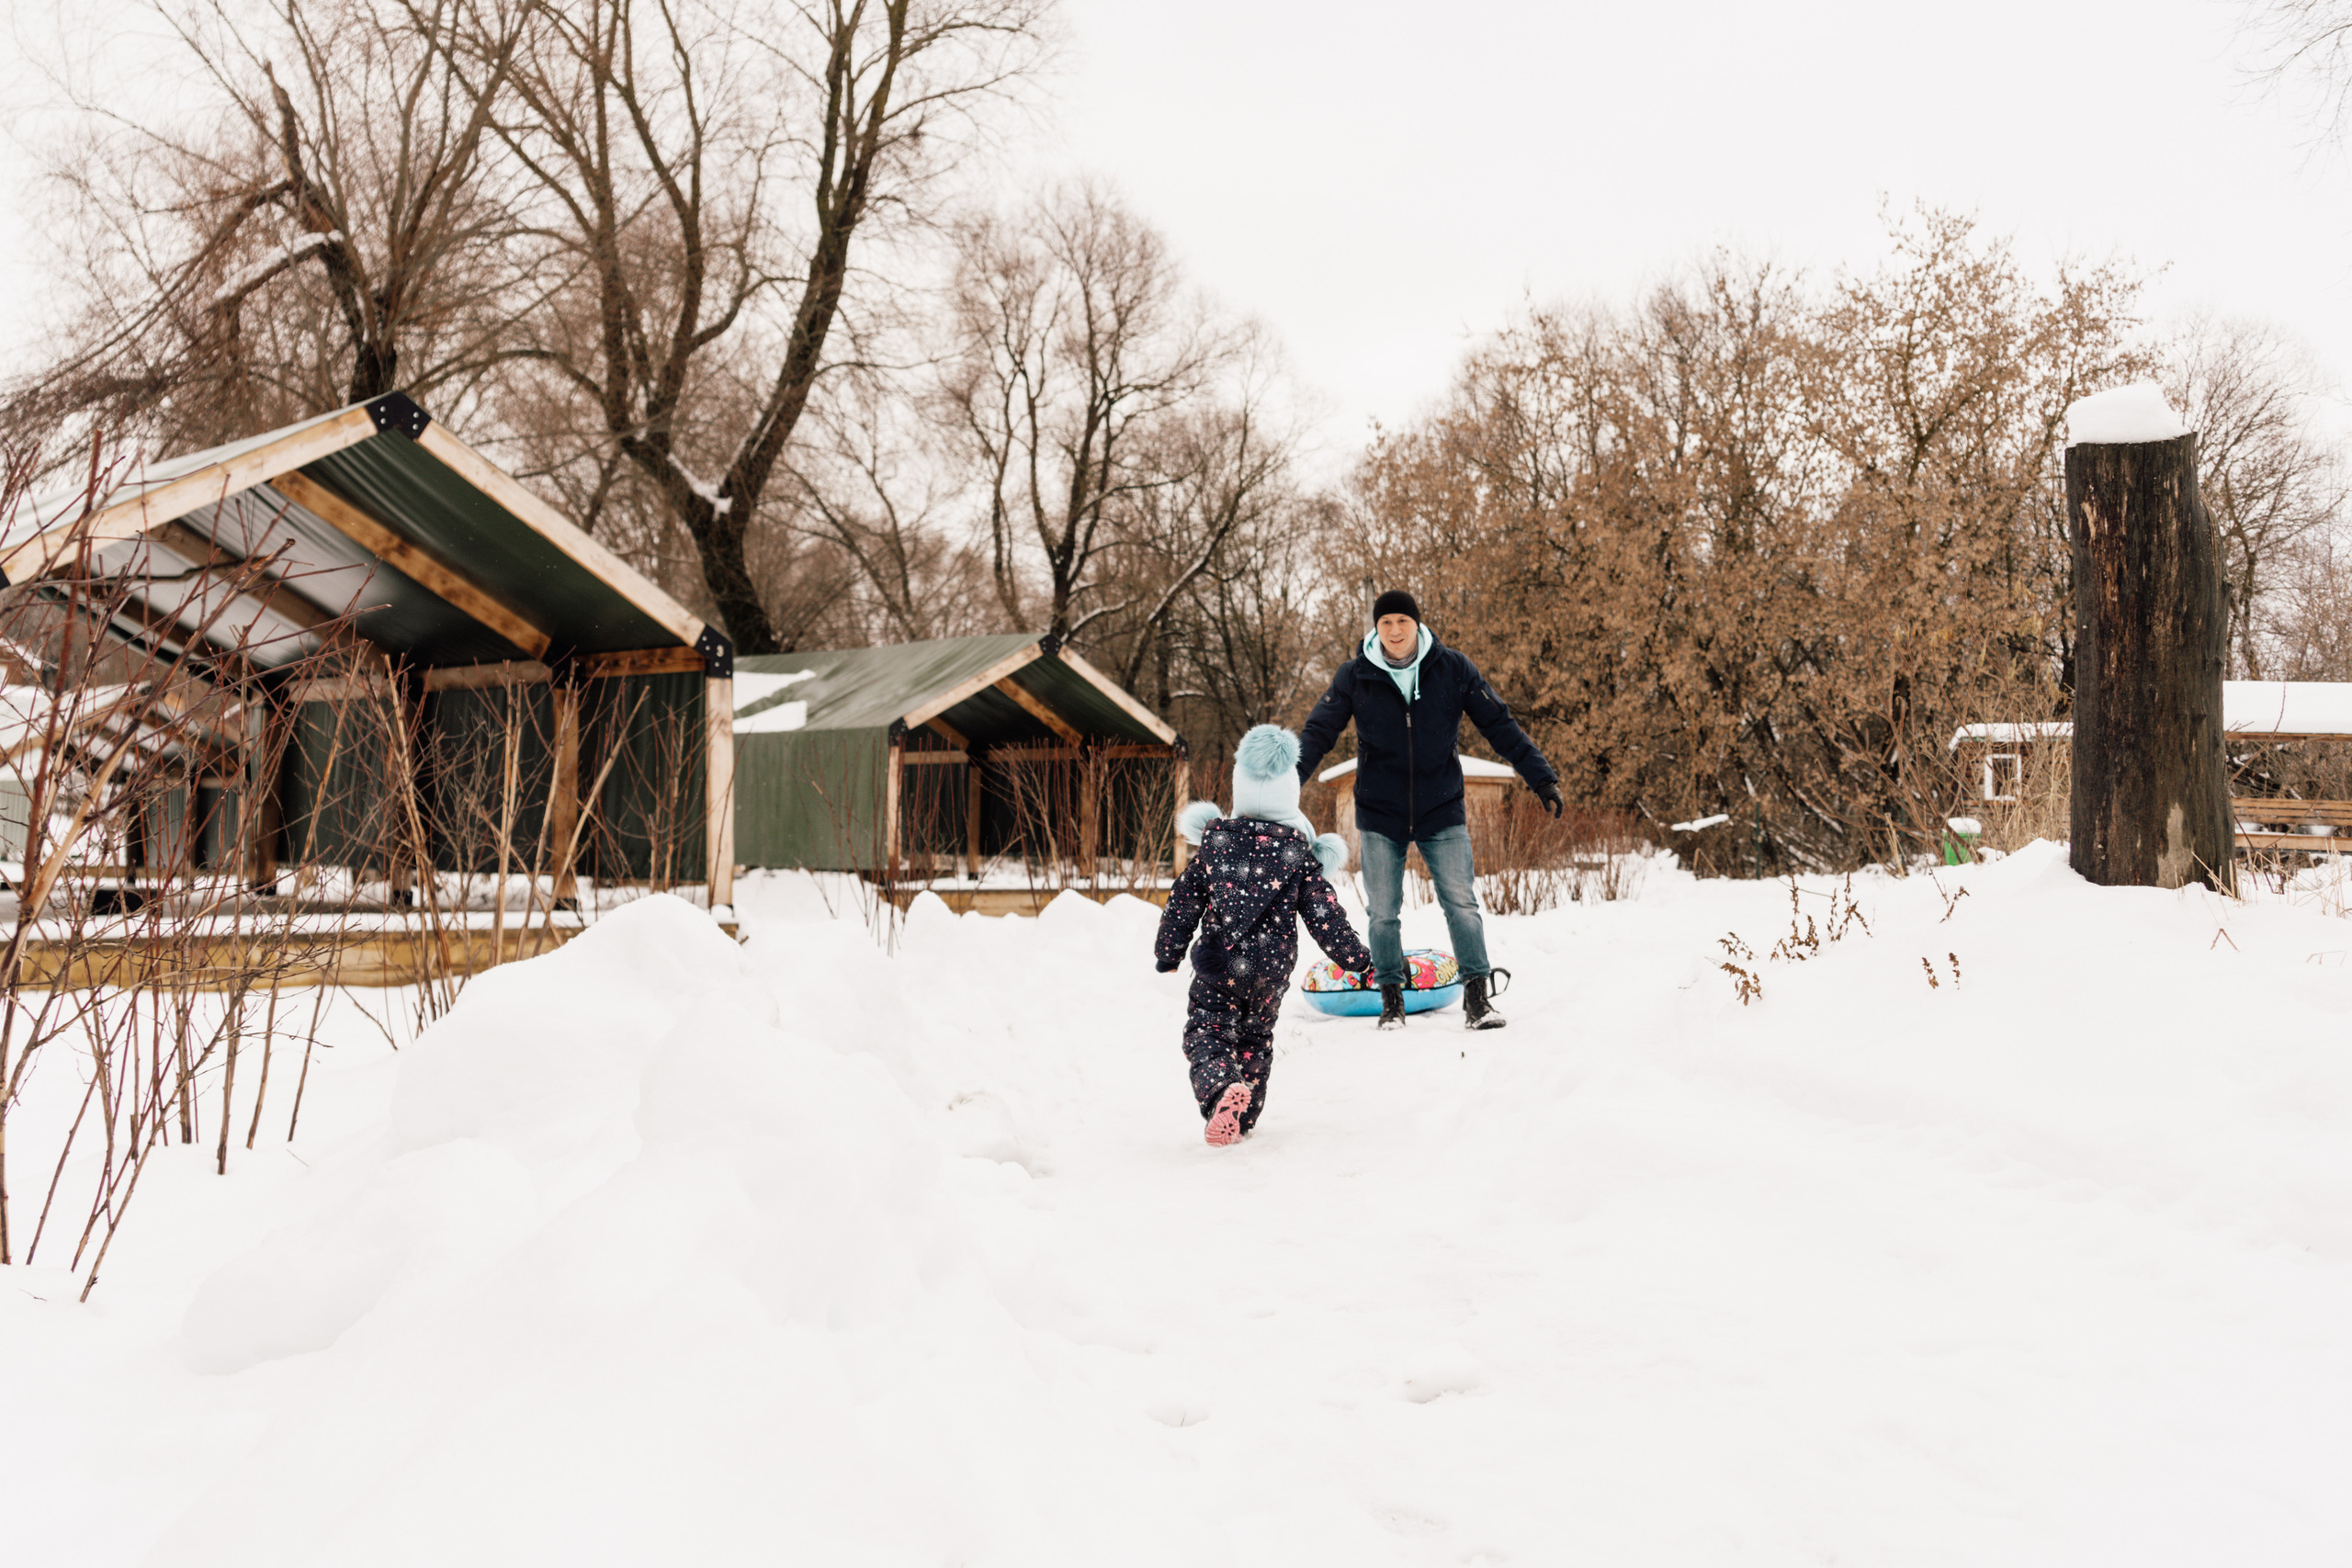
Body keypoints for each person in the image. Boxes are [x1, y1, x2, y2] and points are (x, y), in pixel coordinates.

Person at [1296, 591, 1561, 1031]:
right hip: (1380, 812)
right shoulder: (1355, 676)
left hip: (1442, 809)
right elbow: (1319, 731)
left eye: (1402, 621)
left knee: (1461, 904)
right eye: (1386, 623)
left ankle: (1477, 998)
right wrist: (1286, 785)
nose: (1395, 630)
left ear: (1416, 624)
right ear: (1376, 628)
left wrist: (1541, 776)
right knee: (1383, 911)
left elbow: (1499, 723)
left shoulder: (1452, 668)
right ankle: (1391, 999)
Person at [1157, 724, 1372, 1145]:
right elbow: (1325, 914)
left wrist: (1169, 951)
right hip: (1270, 973)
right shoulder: (1298, 855)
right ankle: (1245, 1115)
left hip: (1220, 965)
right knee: (1256, 1038)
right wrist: (1356, 958)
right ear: (1288, 797)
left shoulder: (1213, 846)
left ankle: (1221, 1090)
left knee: (1207, 1032)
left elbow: (1182, 901)